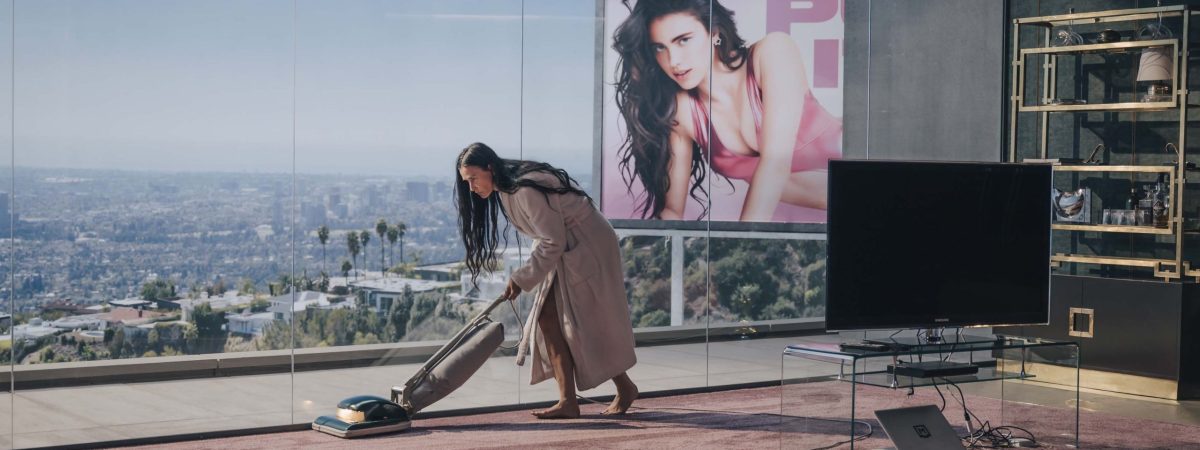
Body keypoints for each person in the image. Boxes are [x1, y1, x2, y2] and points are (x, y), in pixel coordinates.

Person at [455, 142, 639, 419]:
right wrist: (524, 277)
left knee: (583, 321)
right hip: (568, 248)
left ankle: (611, 391)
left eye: (473, 178)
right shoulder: (507, 189)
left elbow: (553, 240)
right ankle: (574, 399)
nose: (471, 187)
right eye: (466, 181)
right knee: (551, 318)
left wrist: (521, 278)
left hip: (588, 246)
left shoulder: (523, 190)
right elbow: (551, 237)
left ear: (489, 168)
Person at [613, 0, 842, 221]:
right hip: (803, 232)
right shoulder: (684, 111)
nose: (673, 60)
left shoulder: (772, 53)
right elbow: (673, 211)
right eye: (660, 47)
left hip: (862, 181)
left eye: (683, 40)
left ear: (714, 33)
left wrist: (744, 240)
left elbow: (775, 164)